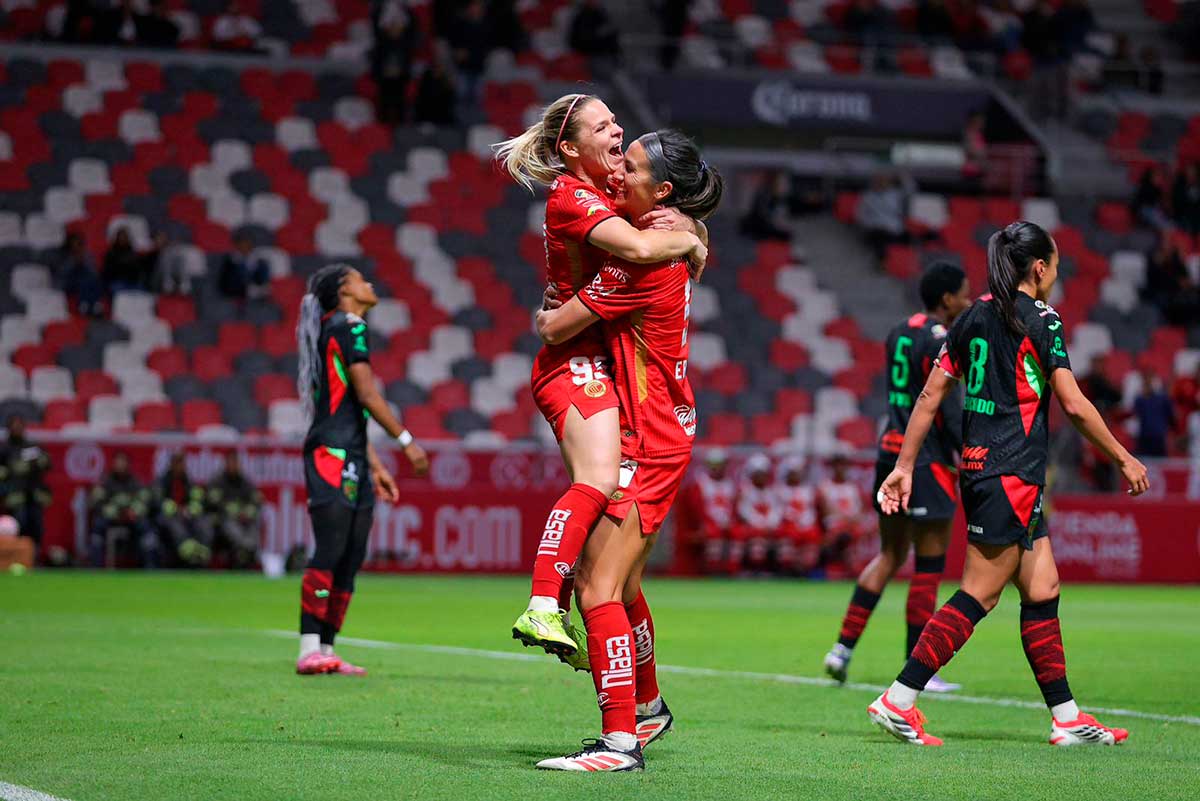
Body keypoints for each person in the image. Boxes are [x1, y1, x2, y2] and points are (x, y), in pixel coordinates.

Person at [870, 220, 1148, 747]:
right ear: (1039, 268)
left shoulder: (973, 315)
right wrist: (1122, 456)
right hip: (1010, 472)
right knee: (979, 593)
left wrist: (904, 466)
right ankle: (898, 700)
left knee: (1043, 588)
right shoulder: (1041, 318)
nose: (1056, 276)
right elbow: (1072, 403)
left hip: (984, 470)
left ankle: (1066, 719)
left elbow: (930, 397)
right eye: (1056, 266)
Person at [532, 128, 723, 771]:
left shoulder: (641, 261)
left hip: (649, 439)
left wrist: (547, 312)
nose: (618, 175)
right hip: (664, 426)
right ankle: (648, 708)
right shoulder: (669, 236)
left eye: (631, 168)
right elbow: (688, 239)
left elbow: (555, 326)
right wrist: (695, 236)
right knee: (628, 581)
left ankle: (618, 744)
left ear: (662, 191)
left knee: (596, 587)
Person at [494, 94, 707, 669]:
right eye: (603, 126)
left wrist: (689, 228)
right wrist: (690, 239)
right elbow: (638, 248)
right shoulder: (576, 194)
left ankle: (642, 706)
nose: (618, 133)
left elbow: (660, 213)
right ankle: (545, 602)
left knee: (617, 583)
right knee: (600, 490)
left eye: (617, 121)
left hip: (612, 376)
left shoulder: (611, 195)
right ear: (569, 148)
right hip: (576, 360)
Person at [823, 262, 972, 692]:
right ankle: (918, 668)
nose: (966, 301)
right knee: (928, 564)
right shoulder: (941, 338)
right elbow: (944, 405)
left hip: (888, 450)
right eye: (963, 294)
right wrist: (967, 449)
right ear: (947, 299)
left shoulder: (898, 332)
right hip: (925, 459)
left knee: (889, 555)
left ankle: (841, 650)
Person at [294, 264, 429, 675]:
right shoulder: (349, 326)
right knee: (332, 547)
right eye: (358, 278)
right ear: (344, 291)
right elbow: (368, 394)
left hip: (351, 452)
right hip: (330, 453)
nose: (369, 282)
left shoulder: (336, 327)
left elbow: (349, 409)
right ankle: (307, 648)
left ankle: (327, 649)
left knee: (351, 554)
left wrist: (373, 464)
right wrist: (406, 442)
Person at [88, 452, 158, 568]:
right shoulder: (106, 481)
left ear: (128, 465)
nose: (120, 465)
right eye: (117, 462)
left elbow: (145, 500)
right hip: (111, 519)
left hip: (131, 519)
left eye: (123, 463)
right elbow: (96, 503)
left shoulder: (135, 482)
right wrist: (116, 513)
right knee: (97, 526)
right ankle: (96, 566)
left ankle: (150, 566)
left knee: (147, 527)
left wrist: (133, 511)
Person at [201, 451, 264, 569]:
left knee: (254, 523)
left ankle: (249, 550)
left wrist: (247, 511)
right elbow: (212, 501)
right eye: (231, 463)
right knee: (230, 524)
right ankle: (244, 549)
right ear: (226, 464)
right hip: (223, 520)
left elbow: (256, 500)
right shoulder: (217, 481)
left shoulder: (245, 482)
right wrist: (229, 509)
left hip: (244, 520)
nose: (234, 466)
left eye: (236, 463)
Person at [0, 415, 52, 556]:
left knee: (36, 527)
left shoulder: (32, 446)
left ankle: (34, 559)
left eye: (19, 425)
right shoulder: (4, 449)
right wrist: (12, 469)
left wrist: (32, 464)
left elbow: (46, 462)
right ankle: (16, 557)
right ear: (9, 428)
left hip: (34, 496)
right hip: (15, 497)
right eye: (14, 425)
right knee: (18, 526)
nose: (17, 428)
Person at [679, 449, 736, 574]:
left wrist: (729, 523)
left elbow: (733, 508)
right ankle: (712, 572)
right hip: (708, 524)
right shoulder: (700, 484)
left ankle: (733, 572)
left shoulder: (730, 485)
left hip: (727, 524)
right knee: (713, 538)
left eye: (720, 465)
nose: (717, 468)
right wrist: (707, 524)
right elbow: (696, 510)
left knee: (738, 537)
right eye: (714, 465)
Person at [816, 453, 870, 574]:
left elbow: (861, 511)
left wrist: (850, 520)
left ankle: (854, 569)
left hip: (852, 526)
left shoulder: (853, 488)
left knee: (858, 533)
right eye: (837, 464)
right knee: (837, 535)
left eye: (843, 465)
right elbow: (826, 512)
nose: (840, 468)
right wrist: (845, 520)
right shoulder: (825, 487)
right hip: (833, 527)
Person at [153, 452, 209, 567]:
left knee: (203, 521)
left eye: (182, 463)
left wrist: (192, 508)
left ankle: (202, 549)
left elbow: (198, 500)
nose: (180, 467)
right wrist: (173, 508)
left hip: (186, 515)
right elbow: (156, 502)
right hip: (167, 517)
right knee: (173, 522)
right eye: (177, 463)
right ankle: (187, 548)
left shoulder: (189, 481)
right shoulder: (161, 481)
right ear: (171, 465)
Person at [371, 0, 418, 125]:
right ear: (387, 28)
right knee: (384, 106)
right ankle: (383, 128)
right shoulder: (382, 43)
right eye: (392, 26)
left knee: (400, 107)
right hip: (385, 79)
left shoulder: (405, 43)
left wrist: (404, 7)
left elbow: (413, 26)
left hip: (400, 80)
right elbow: (376, 23)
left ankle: (400, 130)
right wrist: (381, 7)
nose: (395, 28)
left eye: (398, 26)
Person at [732, 453, 781, 573]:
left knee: (784, 547)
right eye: (758, 475)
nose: (761, 478)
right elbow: (744, 512)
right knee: (755, 547)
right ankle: (743, 572)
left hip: (769, 530)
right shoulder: (745, 492)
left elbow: (777, 512)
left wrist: (769, 524)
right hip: (751, 530)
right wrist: (760, 525)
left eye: (763, 474)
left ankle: (772, 572)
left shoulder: (772, 493)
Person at [773, 456, 822, 576]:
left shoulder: (807, 491)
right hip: (787, 527)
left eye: (798, 473)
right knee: (786, 549)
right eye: (793, 473)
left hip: (804, 528)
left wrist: (804, 523)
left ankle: (805, 572)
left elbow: (809, 512)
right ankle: (787, 573)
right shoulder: (779, 491)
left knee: (810, 546)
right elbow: (778, 512)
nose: (795, 476)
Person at [856, 171, 914, 261]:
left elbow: (911, 189)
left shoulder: (895, 194)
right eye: (879, 180)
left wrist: (901, 175)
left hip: (894, 228)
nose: (881, 183)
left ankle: (901, 261)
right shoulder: (867, 196)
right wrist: (872, 225)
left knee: (909, 236)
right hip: (877, 228)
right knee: (881, 239)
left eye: (884, 181)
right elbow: (860, 216)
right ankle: (882, 261)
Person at [1131, 367, 1174, 458]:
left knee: (1160, 463)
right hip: (1144, 438)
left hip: (1159, 438)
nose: (1149, 382)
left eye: (1150, 378)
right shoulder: (1139, 399)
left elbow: (1171, 417)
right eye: (1146, 379)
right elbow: (1136, 414)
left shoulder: (1163, 399)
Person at [102, 227, 158, 295]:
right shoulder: (111, 254)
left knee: (144, 293)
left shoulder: (132, 253)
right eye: (121, 237)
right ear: (117, 238)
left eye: (125, 237)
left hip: (133, 283)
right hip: (118, 282)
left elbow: (140, 268)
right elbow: (107, 273)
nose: (123, 239)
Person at [59, 233, 104, 316]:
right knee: (83, 282)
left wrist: (84, 260)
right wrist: (73, 261)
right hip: (69, 281)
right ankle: (83, 305)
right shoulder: (64, 255)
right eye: (73, 243)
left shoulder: (86, 254)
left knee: (94, 280)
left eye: (78, 243)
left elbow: (93, 272)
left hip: (86, 280)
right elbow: (62, 272)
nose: (76, 246)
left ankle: (96, 305)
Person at [218, 233, 269, 300]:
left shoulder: (261, 262)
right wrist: (246, 291)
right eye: (242, 244)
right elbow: (224, 286)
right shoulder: (229, 262)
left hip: (257, 300)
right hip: (233, 299)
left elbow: (264, 284)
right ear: (237, 246)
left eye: (247, 244)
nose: (245, 247)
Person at [1172, 163, 1200, 235]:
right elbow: (1178, 201)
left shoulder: (1197, 185)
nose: (1191, 174)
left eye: (1193, 171)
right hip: (1183, 215)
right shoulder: (1180, 184)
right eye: (1189, 171)